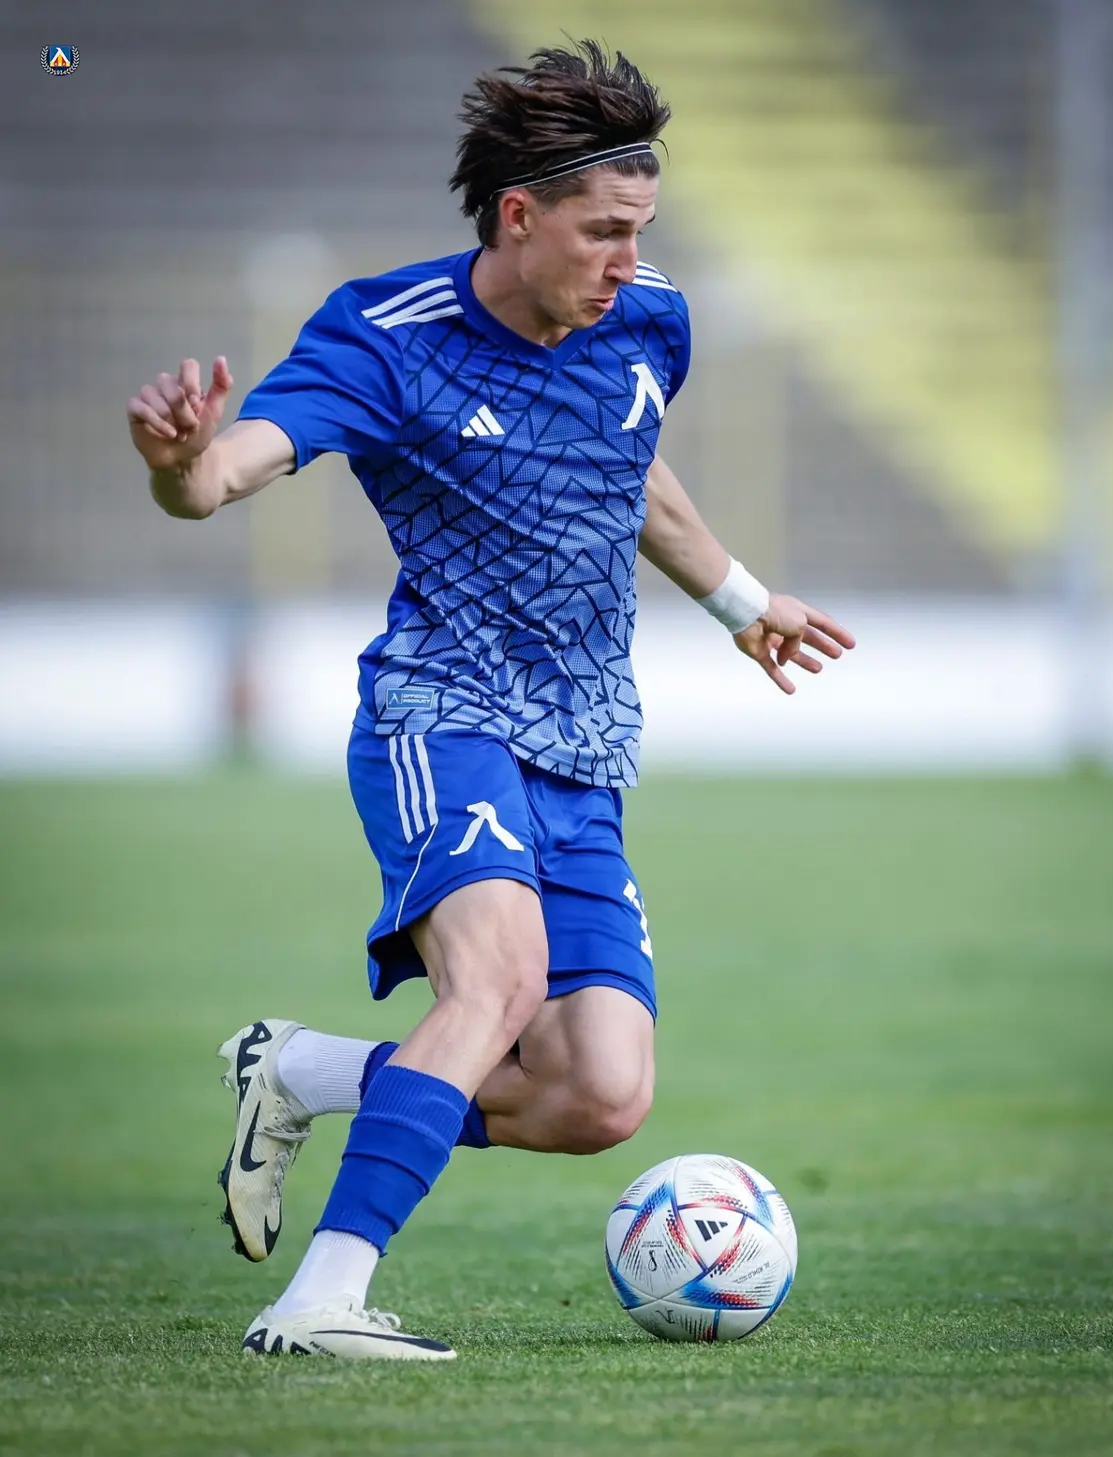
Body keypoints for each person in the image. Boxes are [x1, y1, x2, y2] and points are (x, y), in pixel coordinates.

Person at [126, 40, 854, 1361]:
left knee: (597, 1097)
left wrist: (743, 602)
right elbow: (228, 472)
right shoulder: (386, 336)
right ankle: (319, 1300)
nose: (629, 261)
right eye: (604, 232)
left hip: (585, 749)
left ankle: (301, 1070)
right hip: (443, 714)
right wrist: (182, 466)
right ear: (519, 216)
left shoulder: (649, 320)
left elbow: (624, 465)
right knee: (500, 985)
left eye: (641, 231)